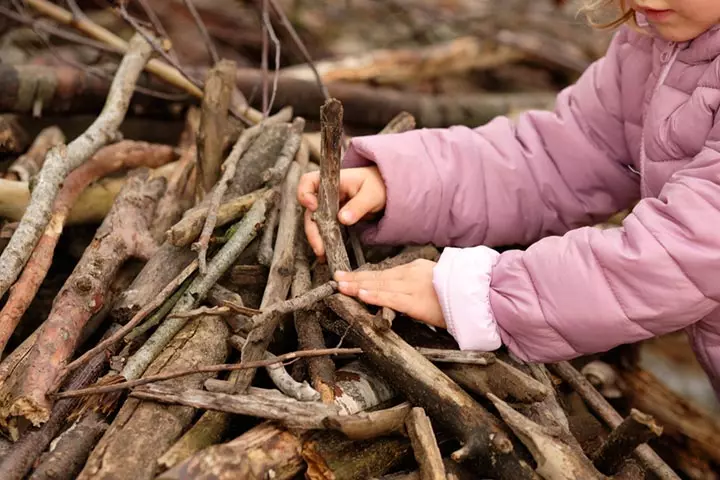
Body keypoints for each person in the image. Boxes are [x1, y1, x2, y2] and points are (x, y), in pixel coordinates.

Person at [297, 0, 720, 398]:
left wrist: (488, 294)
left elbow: (690, 252)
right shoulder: (653, 42)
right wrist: (405, 182)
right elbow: (558, 159)